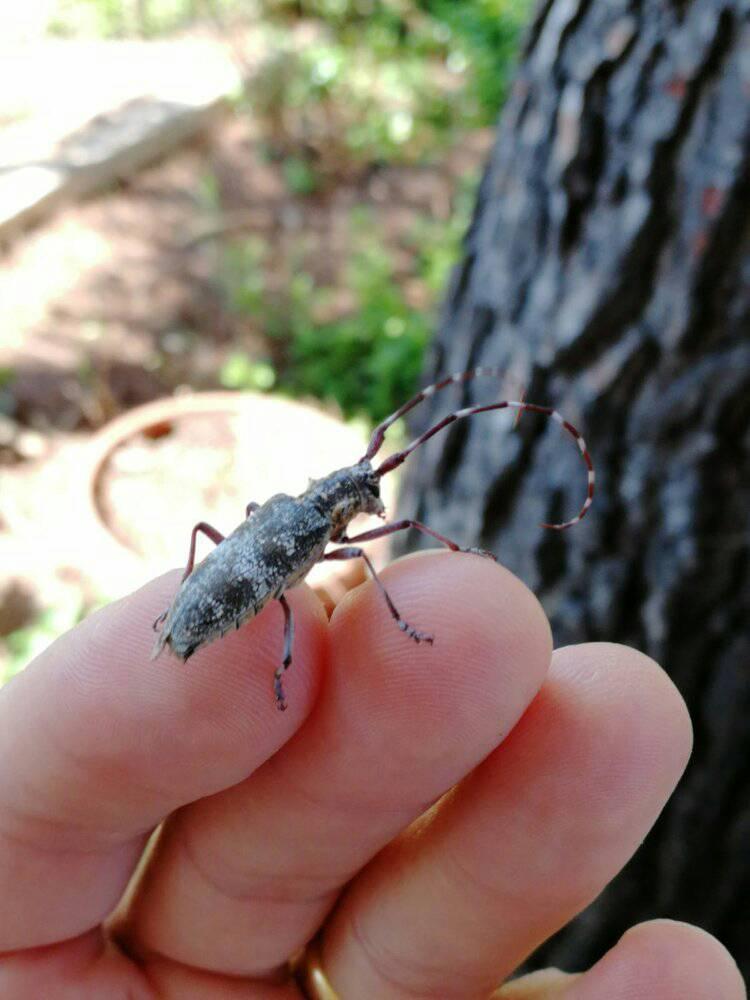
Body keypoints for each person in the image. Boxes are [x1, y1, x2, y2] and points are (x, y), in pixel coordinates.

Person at [0, 551, 744, 999]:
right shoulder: (314, 533)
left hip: (225, 589)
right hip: (227, 599)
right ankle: (278, 661)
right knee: (288, 621)